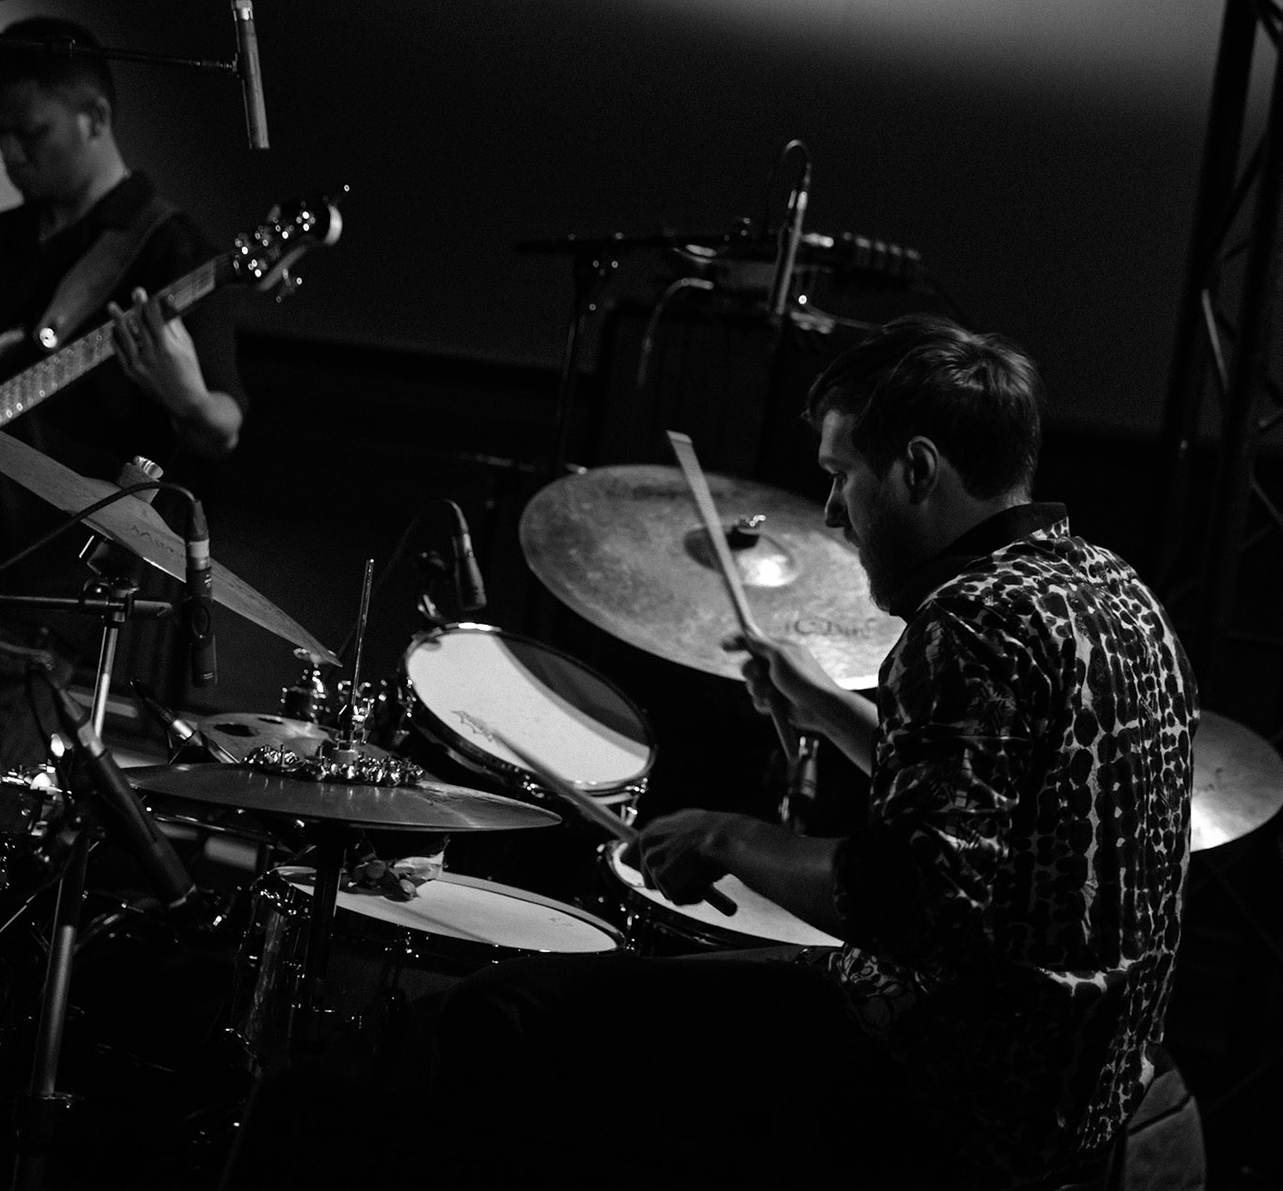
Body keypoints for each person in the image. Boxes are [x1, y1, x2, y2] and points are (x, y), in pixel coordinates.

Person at [419, 315, 1196, 1189]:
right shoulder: (1115, 593)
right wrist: (825, 706)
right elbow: (987, 813)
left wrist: (726, 837)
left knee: (505, 1014)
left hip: (959, 1087)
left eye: (840, 476)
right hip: (1086, 1085)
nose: (830, 512)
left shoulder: (971, 622)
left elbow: (903, 900)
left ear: (917, 469)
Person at [0, 16, 246, 1179]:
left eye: (29, 131)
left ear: (94, 114)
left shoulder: (166, 253)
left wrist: (186, 398)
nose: (10, 154)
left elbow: (220, 428)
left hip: (31, 618)